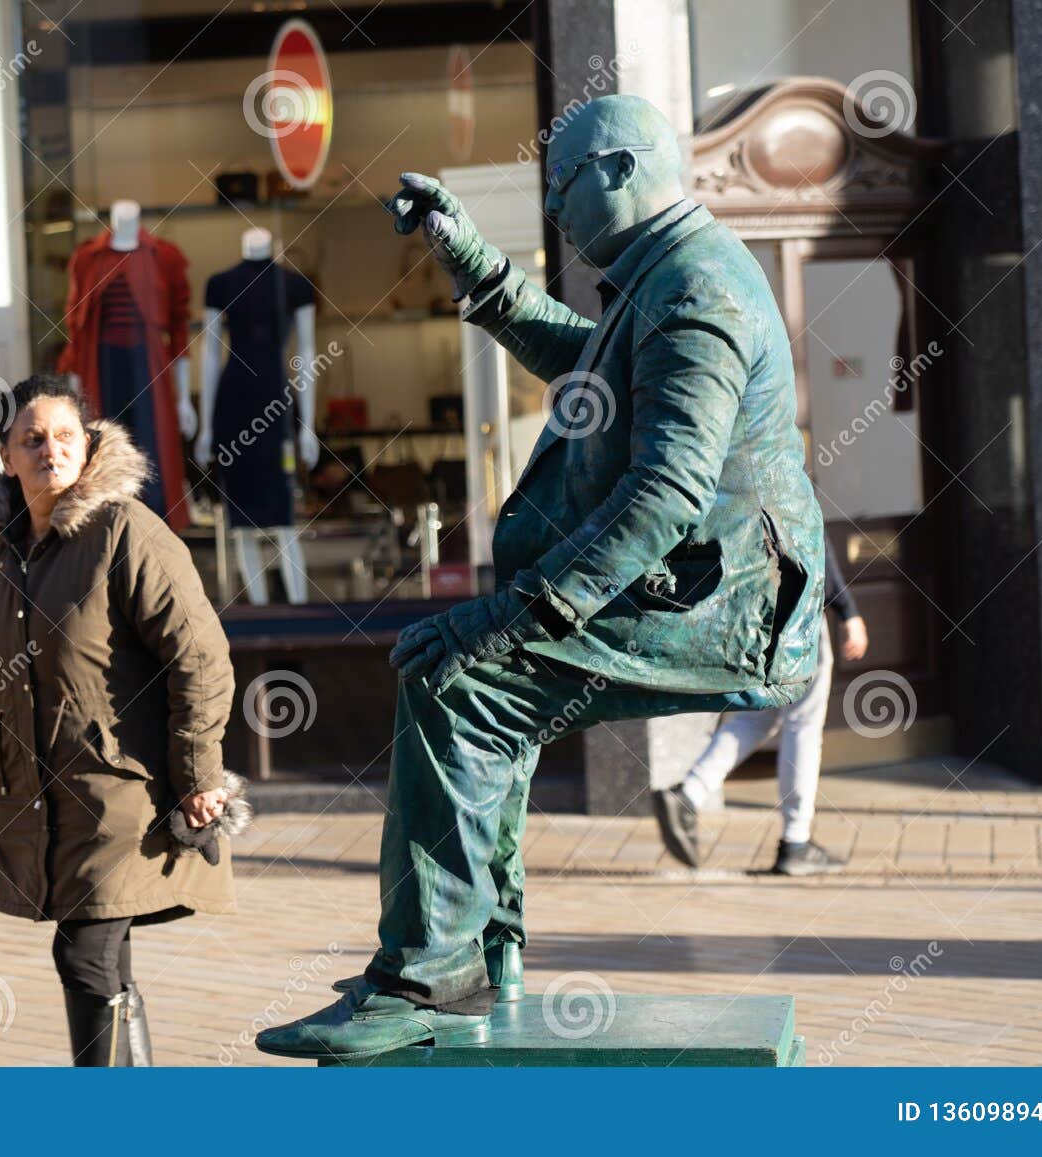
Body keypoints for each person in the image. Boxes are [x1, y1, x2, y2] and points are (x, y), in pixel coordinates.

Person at [255, 94, 824, 1062]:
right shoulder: (667, 274)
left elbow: (666, 493)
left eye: (562, 184)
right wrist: (473, 262)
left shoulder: (698, 290)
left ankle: (430, 977)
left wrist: (517, 613)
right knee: (493, 692)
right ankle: (484, 949)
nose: (555, 206)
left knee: (463, 682)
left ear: (619, 170)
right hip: (701, 585)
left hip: (722, 605)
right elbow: (580, 354)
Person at [0, 374, 242, 1067]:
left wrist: (200, 775)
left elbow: (201, 657)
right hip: (43, 797)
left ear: (89, 445)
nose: (51, 449)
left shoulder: (125, 532)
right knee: (106, 961)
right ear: (6, 456)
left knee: (84, 954)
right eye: (32, 439)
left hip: (124, 795)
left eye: (65, 436)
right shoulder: (2, 549)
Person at [651, 532, 866, 875]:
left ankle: (689, 794)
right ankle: (796, 840)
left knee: (760, 716)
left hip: (750, 608)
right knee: (803, 722)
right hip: (797, 610)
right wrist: (847, 611)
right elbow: (812, 539)